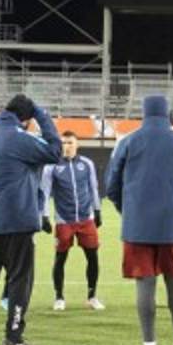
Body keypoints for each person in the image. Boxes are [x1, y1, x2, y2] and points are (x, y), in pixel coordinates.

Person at [105, 94, 173, 345]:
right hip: (171, 224)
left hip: (137, 225)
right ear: (167, 112)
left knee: (144, 284)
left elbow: (111, 184)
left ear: (144, 113)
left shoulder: (127, 141)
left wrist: (127, 210)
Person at [0, 94, 62, 345]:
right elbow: (56, 150)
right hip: (18, 222)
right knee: (20, 280)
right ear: (27, 120)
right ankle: (13, 337)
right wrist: (42, 115)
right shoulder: (22, 139)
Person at [39, 131, 104, 311]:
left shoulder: (87, 164)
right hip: (63, 219)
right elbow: (44, 192)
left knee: (92, 257)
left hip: (86, 218)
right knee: (60, 258)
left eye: (70, 143)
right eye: (64, 143)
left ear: (77, 144)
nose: (66, 146)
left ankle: (92, 296)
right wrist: (44, 215)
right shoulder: (51, 166)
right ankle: (59, 297)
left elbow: (93, 188)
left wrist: (97, 210)